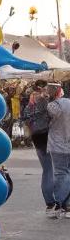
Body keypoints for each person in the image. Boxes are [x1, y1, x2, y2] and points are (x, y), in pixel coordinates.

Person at [23, 86, 57, 215]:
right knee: (51, 170)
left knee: (46, 170)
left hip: (36, 138)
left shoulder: (28, 108)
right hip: (47, 136)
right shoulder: (46, 105)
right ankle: (52, 202)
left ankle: (49, 203)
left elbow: (26, 120)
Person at [45, 84, 70, 216]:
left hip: (58, 145)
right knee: (67, 173)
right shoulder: (68, 102)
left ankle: (63, 205)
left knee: (61, 173)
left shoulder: (51, 106)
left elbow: (48, 119)